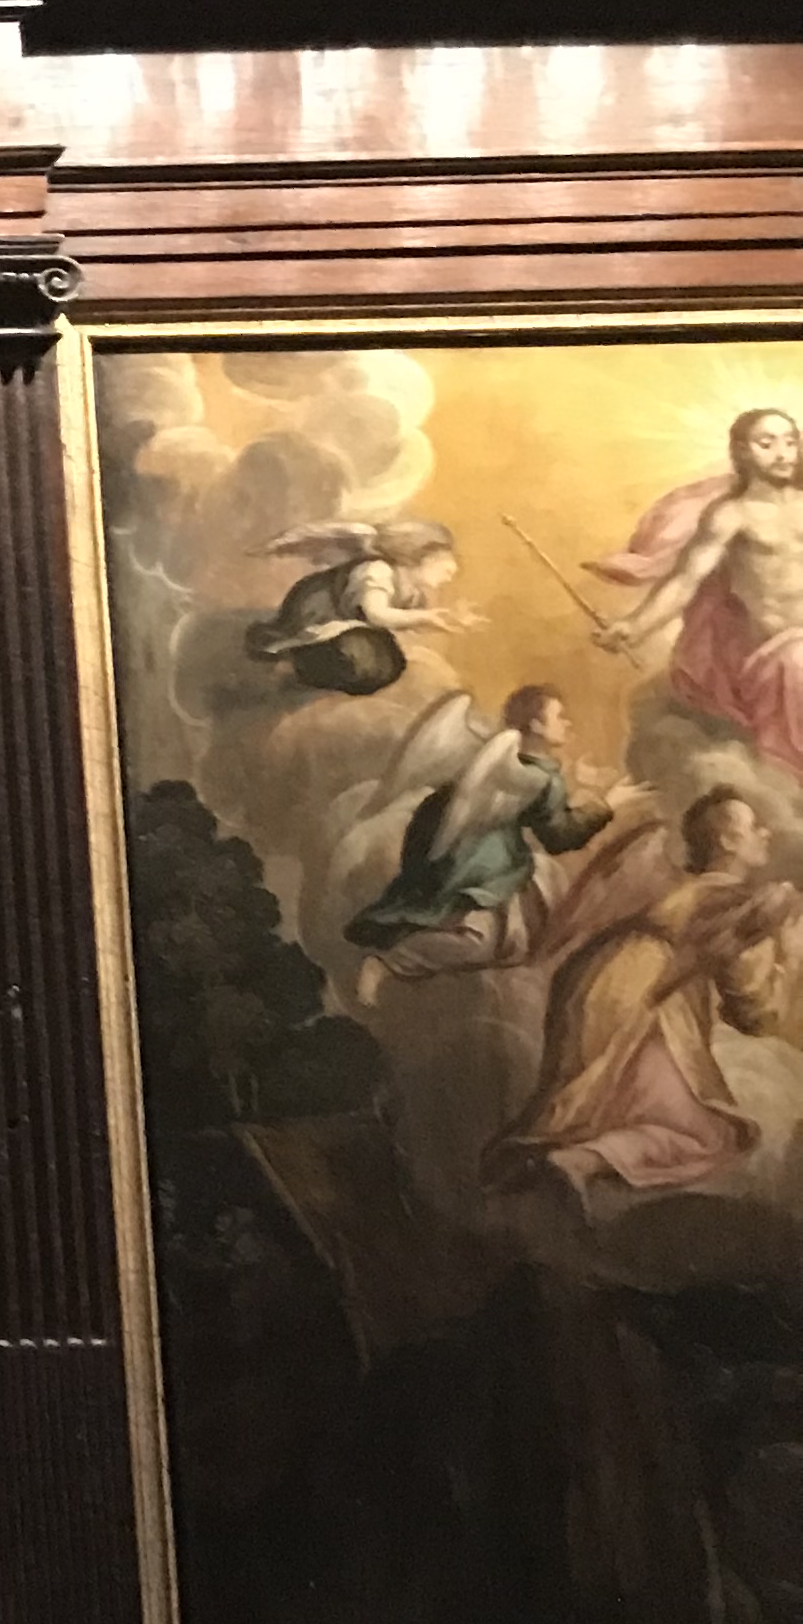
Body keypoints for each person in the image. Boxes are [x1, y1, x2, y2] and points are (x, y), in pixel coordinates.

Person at [488, 788, 803, 1204]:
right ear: (728, 841)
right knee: (709, 1134)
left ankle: (563, 1166)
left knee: (591, 1105)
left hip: (590, 983)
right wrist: (789, 953)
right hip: (647, 996)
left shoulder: (672, 884)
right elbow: (752, 1003)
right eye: (753, 827)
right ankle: (575, 1163)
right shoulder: (746, 906)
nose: (765, 833)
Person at [344, 684, 616, 1004]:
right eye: (560, 716)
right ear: (536, 725)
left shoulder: (519, 764)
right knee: (482, 943)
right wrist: (606, 806)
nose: (568, 723)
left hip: (485, 860)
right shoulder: (535, 777)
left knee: (529, 931)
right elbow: (558, 836)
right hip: (478, 868)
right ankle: (391, 962)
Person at [596, 408, 803, 779]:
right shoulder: (732, 515)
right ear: (742, 451)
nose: (782, 453)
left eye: (790, 442)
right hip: (774, 657)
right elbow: (685, 580)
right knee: (797, 662)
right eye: (767, 443)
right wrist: (635, 626)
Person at [246, 519, 470, 698]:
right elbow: (377, 614)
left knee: (388, 665)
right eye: (446, 571)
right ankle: (297, 661)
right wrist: (426, 617)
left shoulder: (412, 591)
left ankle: (311, 668)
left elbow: (404, 619)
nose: (447, 578)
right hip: (320, 616)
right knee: (365, 662)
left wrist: (448, 619)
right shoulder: (377, 571)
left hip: (350, 626)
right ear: (424, 557)